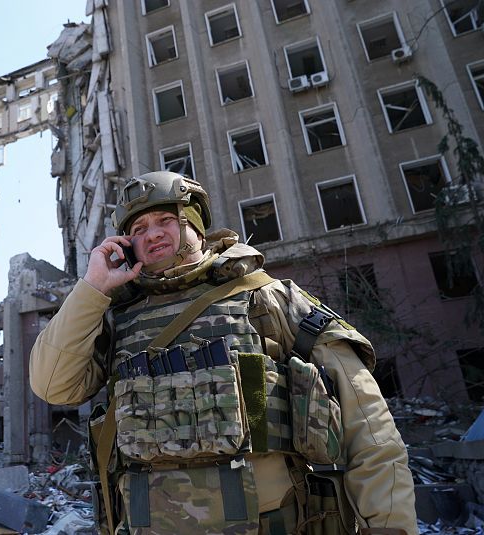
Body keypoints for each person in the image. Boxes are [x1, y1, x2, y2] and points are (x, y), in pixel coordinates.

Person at [30, 171, 417, 535]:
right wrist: (92, 289)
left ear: (195, 224)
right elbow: (52, 386)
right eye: (138, 230)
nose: (152, 235)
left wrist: (388, 523)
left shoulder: (266, 298)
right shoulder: (114, 318)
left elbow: (367, 420)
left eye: (165, 219)